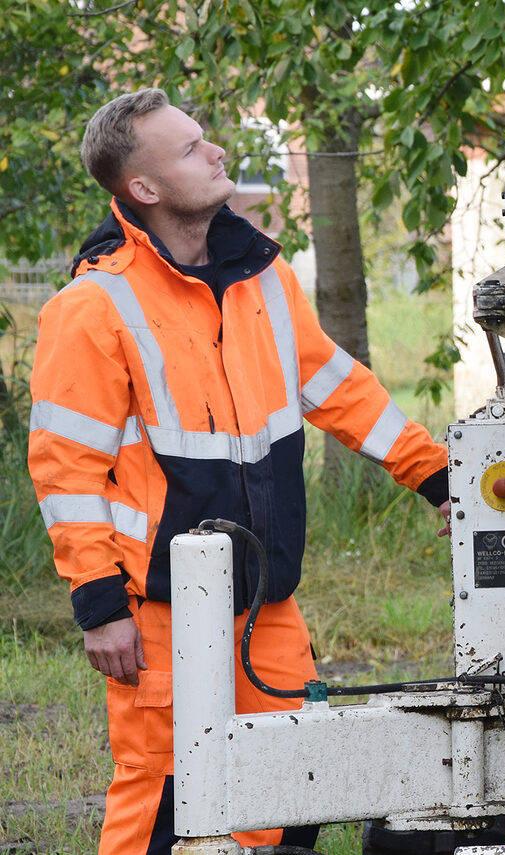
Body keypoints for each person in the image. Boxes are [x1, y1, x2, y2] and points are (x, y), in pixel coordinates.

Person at [27, 88, 452, 855]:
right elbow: (66, 468)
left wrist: (436, 476)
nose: (217, 151)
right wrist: (98, 604)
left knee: (295, 780)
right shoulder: (93, 306)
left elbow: (337, 388)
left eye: (204, 138)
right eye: (191, 148)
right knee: (164, 793)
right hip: (156, 608)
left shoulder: (265, 278)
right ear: (144, 189)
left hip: (265, 595)